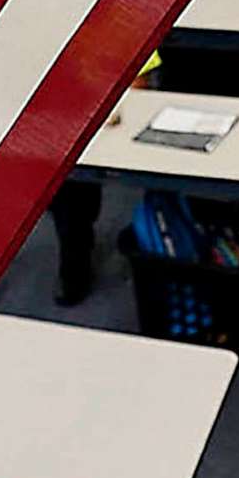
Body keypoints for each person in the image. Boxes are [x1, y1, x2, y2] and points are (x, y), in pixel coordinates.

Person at [50, 53, 161, 306]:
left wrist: (121, 105)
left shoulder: (119, 17)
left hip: (110, 108)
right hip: (59, 110)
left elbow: (140, 74)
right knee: (69, 193)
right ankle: (75, 251)